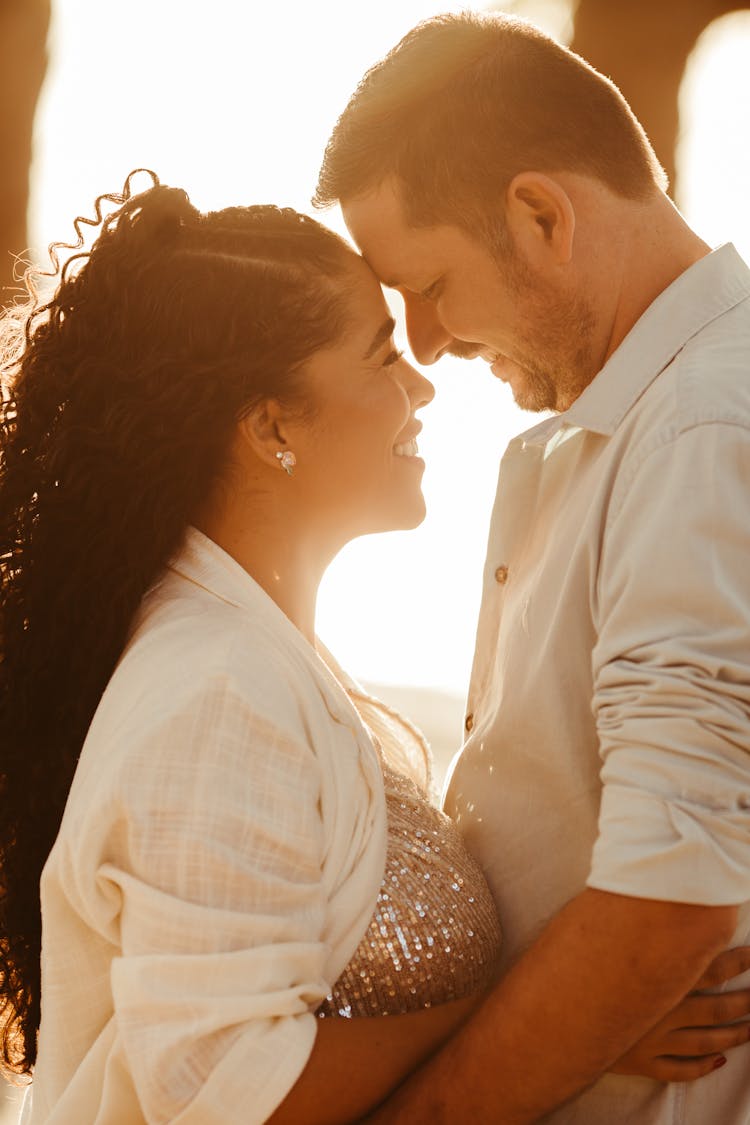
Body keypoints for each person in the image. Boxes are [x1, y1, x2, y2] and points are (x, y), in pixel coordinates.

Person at [0, 176, 746, 1125]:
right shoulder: (216, 688)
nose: (423, 382)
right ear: (272, 424)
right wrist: (560, 1026)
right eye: (382, 353)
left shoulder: (269, 661)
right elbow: (226, 1088)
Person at [313, 10, 750, 1124]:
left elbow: (668, 899)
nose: (423, 344)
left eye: (429, 284)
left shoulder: (700, 433)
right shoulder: (647, 421)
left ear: (541, 215)